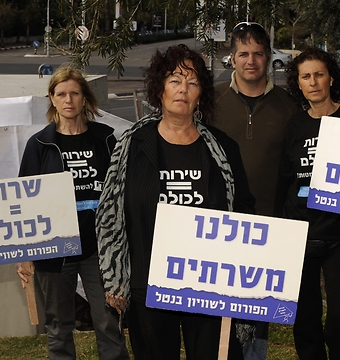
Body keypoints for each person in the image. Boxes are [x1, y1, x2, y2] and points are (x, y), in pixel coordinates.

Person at [95, 44, 253, 360]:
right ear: (159, 89)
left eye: (192, 83)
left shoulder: (223, 149)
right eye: (174, 80)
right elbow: (110, 213)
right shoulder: (131, 146)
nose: (183, 89)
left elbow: (244, 214)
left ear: (201, 94)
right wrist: (115, 278)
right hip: (148, 283)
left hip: (208, 285)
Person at [15, 66, 130, 360]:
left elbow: (119, 193)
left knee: (108, 321)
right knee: (58, 326)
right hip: (55, 250)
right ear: (51, 99)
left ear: (85, 98)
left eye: (75, 93)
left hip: (99, 250)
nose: (69, 100)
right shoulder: (39, 145)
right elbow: (23, 201)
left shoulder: (105, 139)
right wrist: (24, 252)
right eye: (61, 94)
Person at [208, 22, 301, 360]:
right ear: (231, 59)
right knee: (215, 312)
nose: (251, 61)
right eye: (243, 54)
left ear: (267, 58)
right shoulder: (210, 100)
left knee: (257, 317)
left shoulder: (289, 106)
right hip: (219, 226)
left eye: (258, 54)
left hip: (269, 226)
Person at [276, 47, 340, 360]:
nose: (314, 82)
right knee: (305, 320)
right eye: (306, 76)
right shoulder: (294, 127)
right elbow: (284, 183)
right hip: (300, 235)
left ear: (331, 78)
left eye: (319, 74)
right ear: (298, 84)